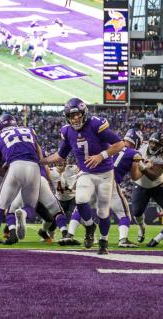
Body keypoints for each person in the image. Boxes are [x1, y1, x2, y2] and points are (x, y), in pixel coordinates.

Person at [40, 98, 126, 255]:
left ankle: (103, 241)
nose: (75, 118)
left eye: (78, 115)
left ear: (84, 113)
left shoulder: (95, 124)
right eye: (71, 116)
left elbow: (120, 144)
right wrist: (40, 160)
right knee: (80, 200)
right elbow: (60, 155)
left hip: (105, 173)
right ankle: (89, 226)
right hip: (86, 172)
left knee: (103, 211)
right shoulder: (67, 131)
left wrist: (101, 155)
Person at [0, 114, 46, 255]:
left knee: (0, 207)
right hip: (34, 167)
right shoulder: (30, 130)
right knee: (30, 207)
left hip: (15, 166)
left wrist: (7, 173)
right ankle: (23, 214)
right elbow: (40, 157)